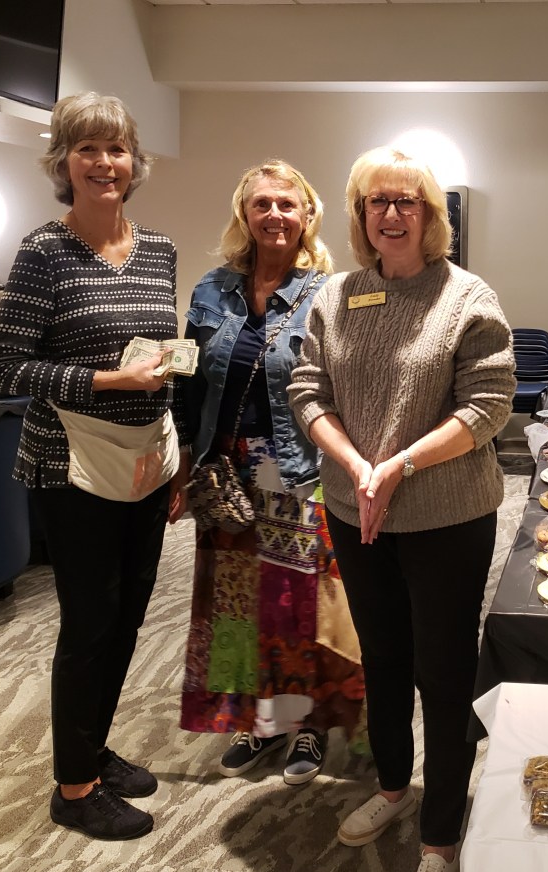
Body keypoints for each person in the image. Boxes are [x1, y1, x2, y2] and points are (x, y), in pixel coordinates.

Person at [288, 146, 515, 872]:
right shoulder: (337, 295)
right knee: (382, 657)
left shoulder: (465, 297)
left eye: (405, 201)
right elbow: (307, 389)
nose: (390, 213)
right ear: (359, 215)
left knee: (443, 673)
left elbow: (487, 406)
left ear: (429, 214)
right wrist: (359, 466)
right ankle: (391, 786)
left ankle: (440, 839)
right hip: (356, 509)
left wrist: (399, 466)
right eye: (375, 201)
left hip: (446, 513)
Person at [0, 92, 189, 840]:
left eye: (117, 149)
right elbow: (6, 368)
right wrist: (108, 381)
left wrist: (167, 405)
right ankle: (73, 787)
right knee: (89, 622)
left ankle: (93, 748)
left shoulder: (159, 250)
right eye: (88, 149)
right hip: (70, 464)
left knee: (129, 615)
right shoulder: (44, 251)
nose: (105, 163)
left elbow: (153, 352)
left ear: (135, 162)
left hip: (145, 460)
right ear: (64, 163)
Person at [178, 160, 365, 785]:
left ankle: (306, 724)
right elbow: (189, 382)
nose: (275, 215)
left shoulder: (329, 293)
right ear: (245, 214)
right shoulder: (212, 290)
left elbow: (345, 386)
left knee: (299, 602)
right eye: (262, 204)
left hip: (297, 468)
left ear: (307, 214)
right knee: (236, 602)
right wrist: (184, 459)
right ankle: (256, 722)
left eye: (287, 204)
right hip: (225, 471)